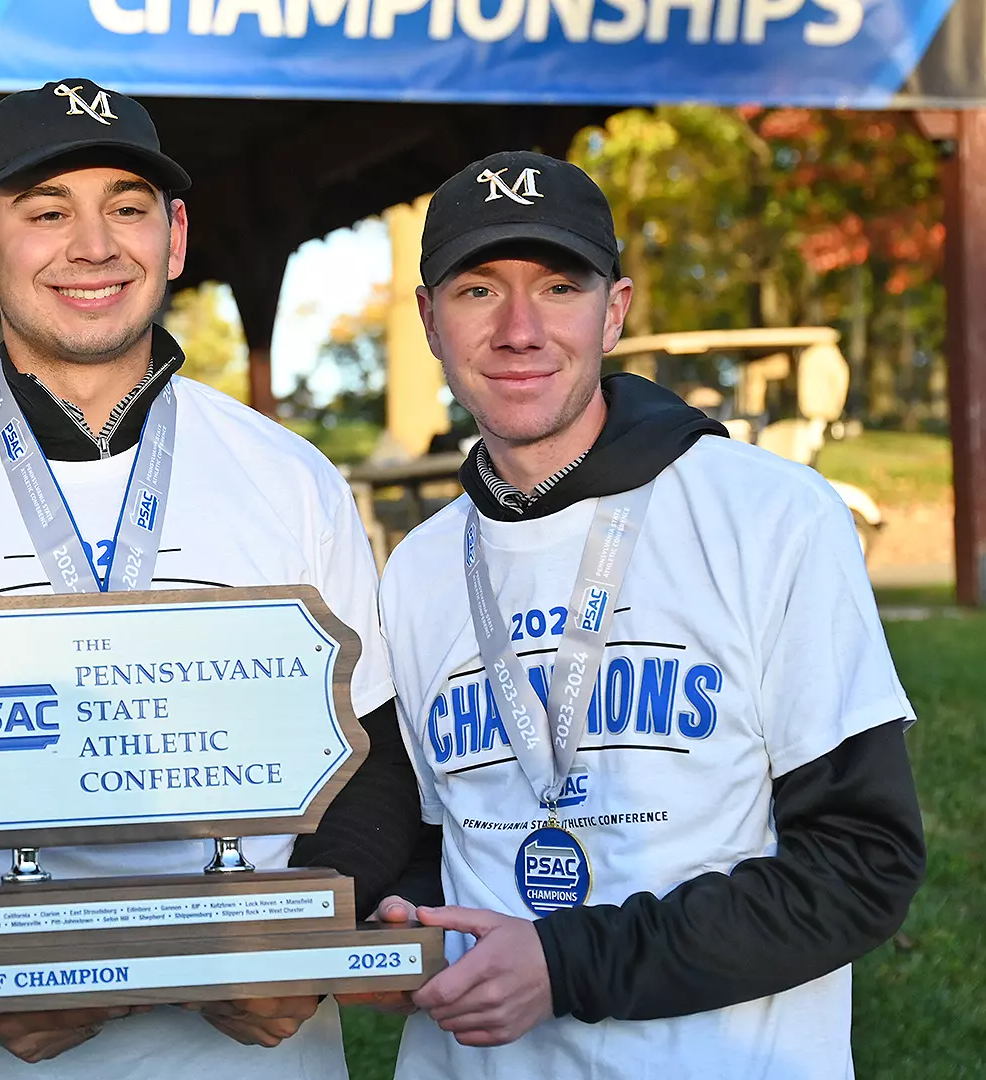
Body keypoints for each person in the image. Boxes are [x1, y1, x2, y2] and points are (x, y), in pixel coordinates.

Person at [0, 78, 431, 1080]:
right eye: (47, 212)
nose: (93, 245)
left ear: (174, 238)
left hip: (254, 1054)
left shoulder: (289, 476)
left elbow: (377, 757)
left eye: (126, 208)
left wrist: (298, 944)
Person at [367, 151, 927, 1078]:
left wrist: (565, 963)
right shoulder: (418, 567)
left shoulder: (774, 516)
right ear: (429, 321)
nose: (518, 329)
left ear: (614, 310)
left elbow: (860, 865)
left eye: (557, 286)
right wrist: (399, 930)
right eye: (476, 291)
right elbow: (432, 842)